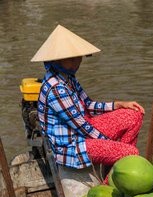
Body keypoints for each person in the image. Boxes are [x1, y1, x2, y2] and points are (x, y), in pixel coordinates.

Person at [32, 25, 145, 174]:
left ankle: (116, 170)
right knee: (131, 153)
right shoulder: (56, 89)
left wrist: (118, 104)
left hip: (82, 129)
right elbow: (81, 126)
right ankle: (110, 183)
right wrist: (110, 144)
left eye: (77, 57)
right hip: (71, 146)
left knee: (134, 115)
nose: (76, 62)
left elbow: (88, 104)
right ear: (56, 61)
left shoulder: (68, 78)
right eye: (70, 59)